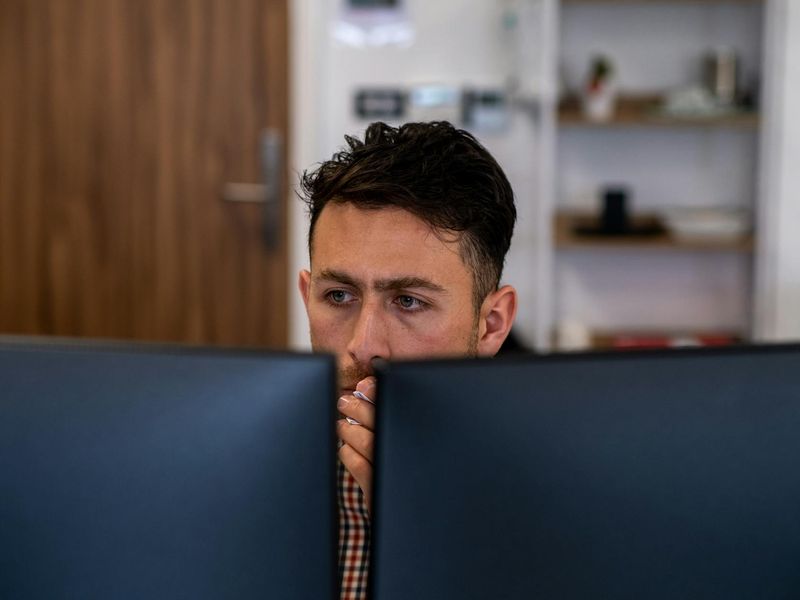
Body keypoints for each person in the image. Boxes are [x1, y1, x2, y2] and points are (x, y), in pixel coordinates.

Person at [298, 121, 518, 600]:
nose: (365, 344)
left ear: (492, 324)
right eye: (338, 295)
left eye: (409, 301)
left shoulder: (544, 492)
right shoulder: (252, 467)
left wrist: (423, 528)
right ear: (305, 295)